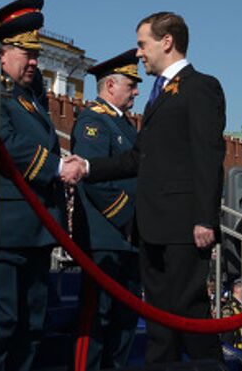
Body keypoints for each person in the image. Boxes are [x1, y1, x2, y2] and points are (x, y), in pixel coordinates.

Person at [78, 11, 226, 364]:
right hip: (154, 227)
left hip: (183, 227)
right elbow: (137, 158)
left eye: (143, 44)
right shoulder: (159, 95)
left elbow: (208, 155)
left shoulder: (200, 86)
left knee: (190, 316)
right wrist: (85, 166)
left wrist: (206, 218)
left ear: (167, 42)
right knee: (160, 326)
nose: (139, 53)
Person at [0, 0, 78, 371]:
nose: (35, 62)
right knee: (3, 323)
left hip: (37, 226)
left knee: (33, 322)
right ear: (2, 53)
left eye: (36, 55)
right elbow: (4, 142)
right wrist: (56, 167)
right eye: (27, 54)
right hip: (7, 226)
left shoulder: (27, 97)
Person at [70, 49, 142, 370]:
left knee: (124, 322)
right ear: (111, 86)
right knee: (96, 320)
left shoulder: (123, 124)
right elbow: (93, 178)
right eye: (131, 84)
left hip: (128, 240)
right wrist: (127, 218)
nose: (136, 91)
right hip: (105, 237)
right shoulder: (93, 120)